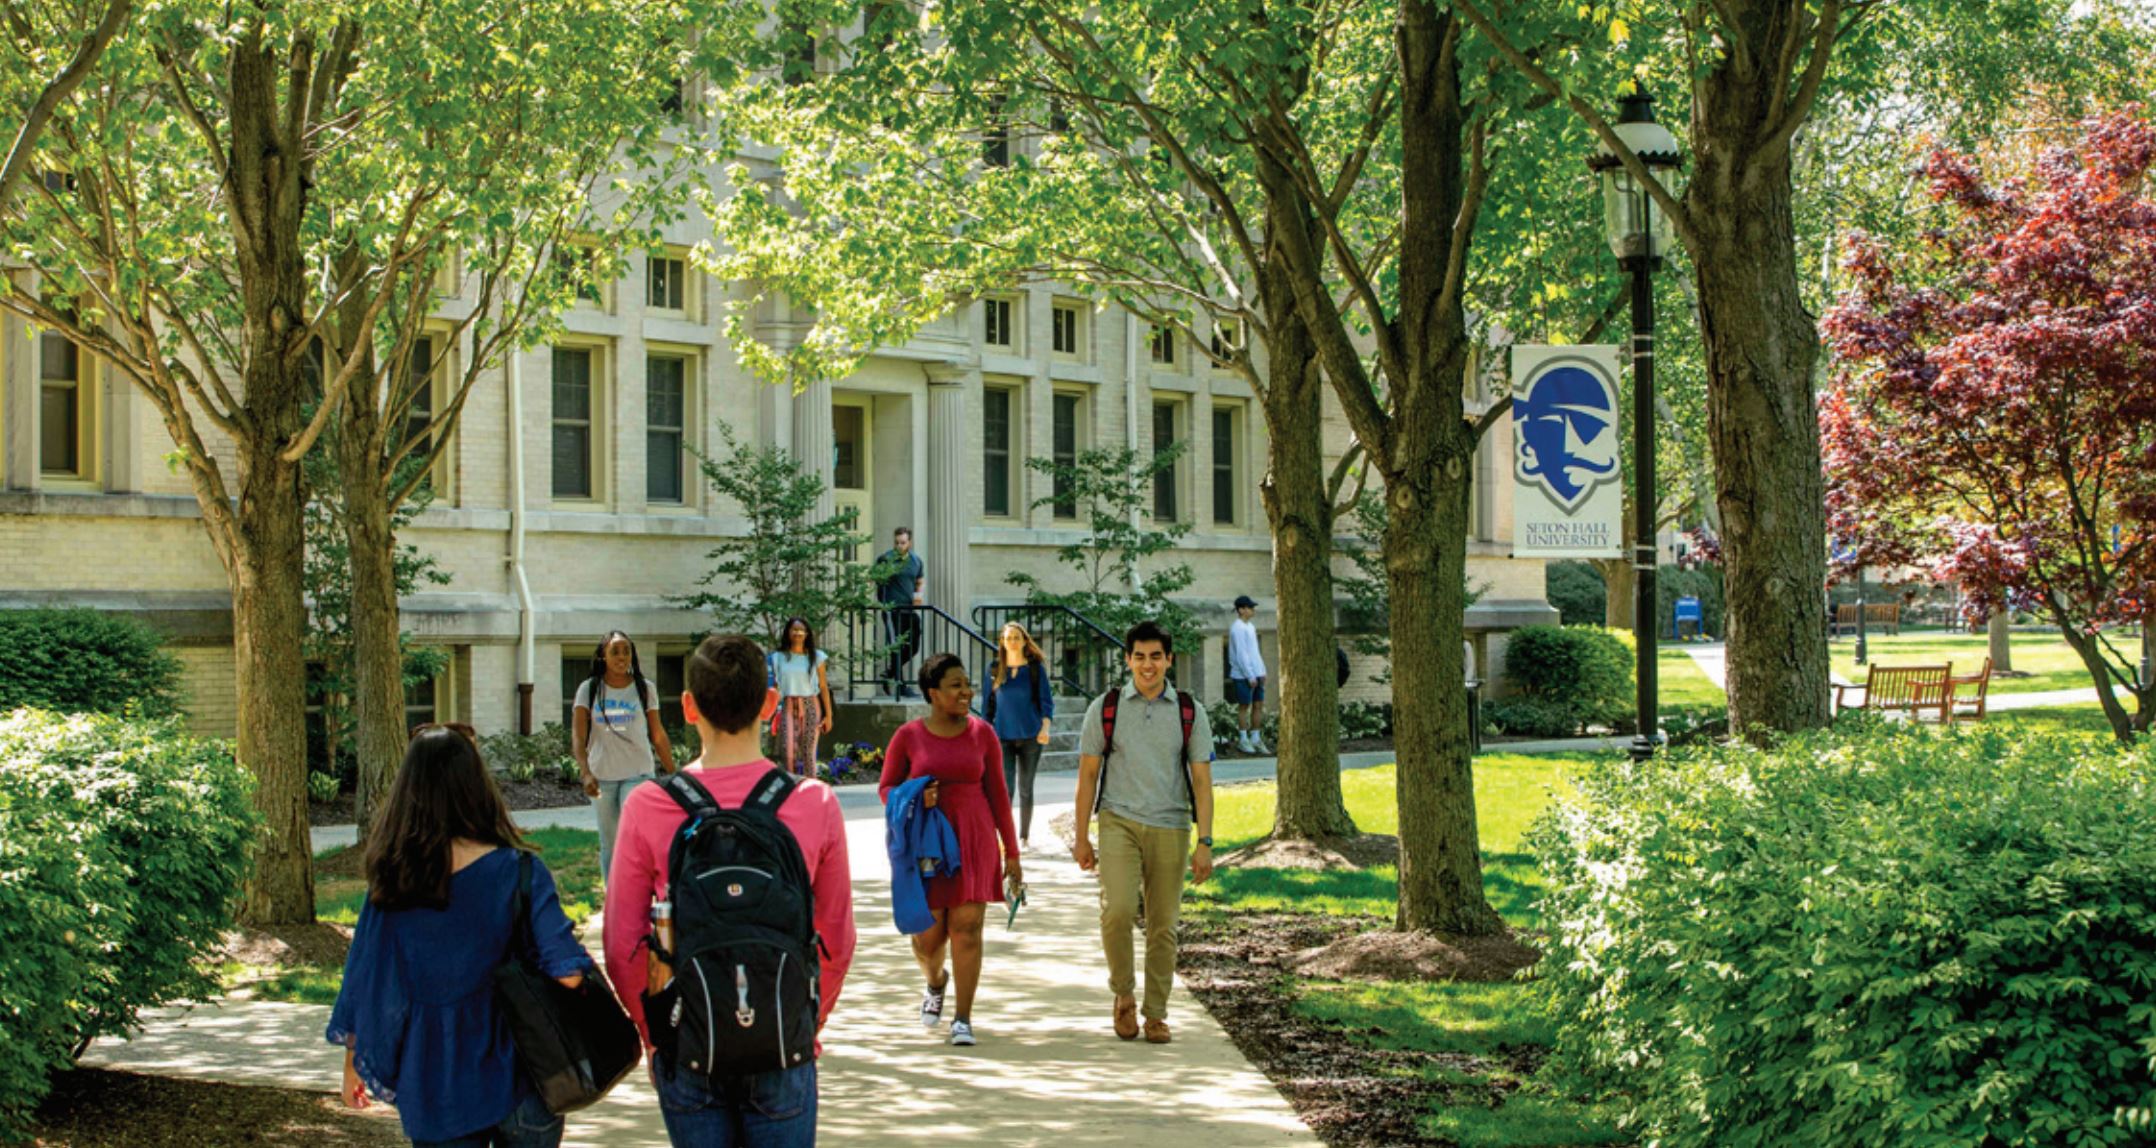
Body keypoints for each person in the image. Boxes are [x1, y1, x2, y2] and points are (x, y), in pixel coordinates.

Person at [604, 634, 856, 1148]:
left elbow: (620, 944)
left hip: (689, 1041)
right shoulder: (814, 803)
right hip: (782, 1042)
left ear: (689, 707)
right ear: (769, 704)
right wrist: (807, 1018)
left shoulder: (650, 806)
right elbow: (837, 937)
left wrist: (655, 1034)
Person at [329, 724, 595, 1148]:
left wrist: (353, 1064)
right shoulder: (520, 872)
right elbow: (568, 974)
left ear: (408, 790)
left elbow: (366, 980)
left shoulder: (392, 884)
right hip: (523, 1080)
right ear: (477, 785)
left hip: (436, 1086)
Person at [1072, 621, 1215, 1045]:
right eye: (1139, 656)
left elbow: (1203, 782)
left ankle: (1155, 1013)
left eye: (1156, 656)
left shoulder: (1190, 711)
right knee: (1116, 910)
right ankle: (1123, 995)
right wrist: (1082, 837)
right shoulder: (1106, 707)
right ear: (1127, 659)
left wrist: (1204, 842)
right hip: (1118, 819)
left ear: (1169, 660)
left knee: (1163, 925)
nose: (1148, 665)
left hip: (1171, 824)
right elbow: (1088, 775)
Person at [877, 652, 1022, 1047]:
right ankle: (935, 982)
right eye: (955, 685)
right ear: (933, 693)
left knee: (968, 930)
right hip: (928, 841)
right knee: (929, 939)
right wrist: (913, 794)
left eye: (966, 684)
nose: (965, 692)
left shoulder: (983, 733)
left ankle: (963, 1018)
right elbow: (886, 787)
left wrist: (1012, 853)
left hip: (974, 839)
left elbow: (998, 794)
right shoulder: (908, 736)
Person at [573, 631, 676, 881]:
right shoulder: (589, 689)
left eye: (626, 650)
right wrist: (585, 773)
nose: (621, 656)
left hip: (638, 773)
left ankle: (640, 891)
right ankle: (614, 901)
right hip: (602, 776)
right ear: (603, 656)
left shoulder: (644, 688)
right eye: (615, 651)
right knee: (609, 842)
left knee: (635, 835)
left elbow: (658, 734)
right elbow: (577, 736)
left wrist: (674, 773)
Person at [983, 621, 1054, 851]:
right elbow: (987, 708)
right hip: (1002, 737)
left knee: (1025, 787)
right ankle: (1005, 837)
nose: (1012, 641)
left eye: (1016, 637)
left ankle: (1024, 837)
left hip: (1031, 737)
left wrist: (1045, 728)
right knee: (1005, 789)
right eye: (1007, 637)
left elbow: (1046, 703)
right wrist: (985, 736)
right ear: (1002, 642)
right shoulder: (994, 669)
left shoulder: (1035, 669)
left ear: (1024, 641)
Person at [768, 617, 834, 780]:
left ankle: (811, 790)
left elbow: (824, 687)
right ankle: (790, 791)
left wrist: (829, 716)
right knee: (787, 750)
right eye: (794, 629)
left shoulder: (816, 657)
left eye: (801, 630)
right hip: (788, 704)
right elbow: (774, 687)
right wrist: (773, 711)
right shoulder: (778, 657)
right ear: (788, 632)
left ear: (807, 634)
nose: (798, 633)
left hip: (811, 704)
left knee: (808, 752)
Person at [877, 527, 926, 698]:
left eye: (903, 543)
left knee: (914, 645)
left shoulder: (916, 561)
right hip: (892, 610)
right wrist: (883, 603)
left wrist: (918, 597)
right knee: (896, 647)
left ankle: (889, 673)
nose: (899, 546)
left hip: (909, 609)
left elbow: (919, 581)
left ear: (909, 543)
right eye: (897, 542)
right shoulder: (886, 559)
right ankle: (901, 686)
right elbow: (876, 580)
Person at [1226, 595, 1267, 754]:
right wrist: (1249, 675)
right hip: (1242, 675)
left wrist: (1261, 670)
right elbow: (1241, 655)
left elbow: (1254, 652)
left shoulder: (1250, 626)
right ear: (1241, 610)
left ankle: (1255, 738)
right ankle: (1243, 739)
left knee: (1258, 705)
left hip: (1256, 673)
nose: (1252, 610)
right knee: (1245, 706)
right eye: (1249, 608)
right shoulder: (1237, 628)